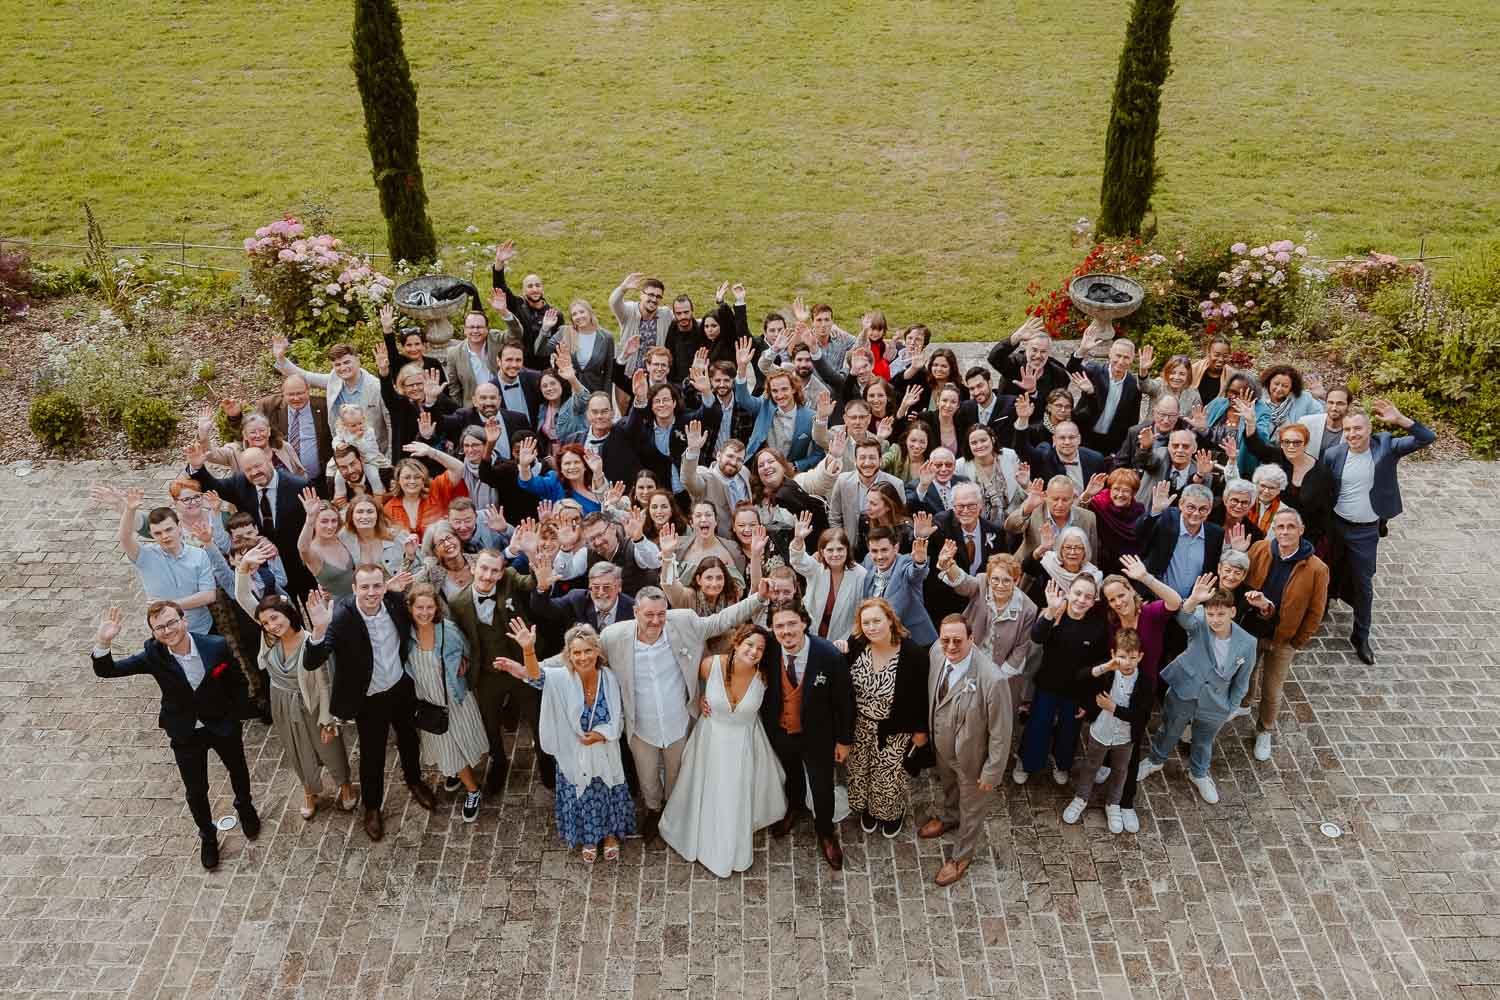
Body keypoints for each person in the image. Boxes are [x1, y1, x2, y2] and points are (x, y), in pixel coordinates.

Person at [91, 602, 259, 870]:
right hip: (184, 731)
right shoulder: (153, 656)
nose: (167, 630)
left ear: (184, 621)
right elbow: (108, 670)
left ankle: (245, 806)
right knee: (195, 791)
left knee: (237, 769)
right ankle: (207, 835)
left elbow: (238, 680)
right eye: (159, 627)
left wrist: (234, 715)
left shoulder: (215, 645)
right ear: (154, 633)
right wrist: (103, 640)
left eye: (171, 622)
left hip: (221, 724)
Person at [304, 566, 435, 841]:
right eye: (365, 587)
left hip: (400, 686)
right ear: (354, 589)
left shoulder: (396, 603)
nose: (371, 592)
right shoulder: (340, 619)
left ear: (384, 587)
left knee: (409, 738)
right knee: (372, 754)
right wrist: (317, 629)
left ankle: (414, 780)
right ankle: (373, 807)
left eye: (377, 586)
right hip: (369, 698)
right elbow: (312, 661)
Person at [657, 623, 788, 877]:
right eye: (749, 644)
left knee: (735, 794)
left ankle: (732, 846)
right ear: (737, 643)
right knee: (707, 790)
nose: (753, 652)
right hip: (710, 741)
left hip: (744, 744)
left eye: (760, 649)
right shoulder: (711, 665)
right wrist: (697, 699)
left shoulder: (764, 677)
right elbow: (684, 681)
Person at [502, 622, 633, 863]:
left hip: (604, 752)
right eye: (577, 652)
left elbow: (618, 716)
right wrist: (528, 650)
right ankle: (589, 838)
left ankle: (610, 836)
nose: (583, 657)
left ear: (597, 652)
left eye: (587, 651)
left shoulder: (609, 678)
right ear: (568, 655)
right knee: (582, 796)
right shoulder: (560, 678)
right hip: (573, 754)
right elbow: (535, 677)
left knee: (607, 793)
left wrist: (602, 735)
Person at [231, 569, 356, 820]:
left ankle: (344, 785)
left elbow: (324, 683)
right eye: (266, 622)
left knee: (329, 747)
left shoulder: (311, 641)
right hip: (281, 702)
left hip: (311, 702)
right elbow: (243, 598)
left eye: (275, 618)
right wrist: (243, 569)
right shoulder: (269, 638)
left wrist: (326, 718)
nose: (272, 626)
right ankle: (309, 789)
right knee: (296, 748)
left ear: (289, 614)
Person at [1322, 400, 1435, 663]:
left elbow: (1426, 438)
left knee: (1364, 584)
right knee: (1329, 571)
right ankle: (1323, 607)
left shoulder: (1386, 447)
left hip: (1365, 531)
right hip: (1337, 525)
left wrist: (1400, 419)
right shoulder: (1334, 455)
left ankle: (1361, 636)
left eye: (1358, 429)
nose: (1352, 434)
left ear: (1369, 428)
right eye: (1348, 430)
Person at [1136, 580, 1257, 804]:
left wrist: (1230, 708)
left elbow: (1242, 681)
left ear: (1232, 611)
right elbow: (1183, 618)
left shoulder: (1248, 643)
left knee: (1203, 740)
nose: (1215, 620)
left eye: (1220, 614)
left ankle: (1199, 773)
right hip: (1185, 689)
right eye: (1211, 614)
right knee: (1169, 728)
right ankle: (1155, 760)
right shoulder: (1200, 621)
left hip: (1216, 701)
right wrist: (1193, 600)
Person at [448, 546, 551, 795]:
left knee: (538, 717)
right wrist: (461, 658)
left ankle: (547, 762)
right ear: (473, 567)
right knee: (489, 723)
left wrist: (541, 576)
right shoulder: (458, 602)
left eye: (494, 571)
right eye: (483, 568)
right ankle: (499, 760)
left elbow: (530, 582)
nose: (487, 575)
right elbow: (459, 635)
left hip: (520, 665)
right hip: (486, 673)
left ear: (501, 572)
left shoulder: (509, 581)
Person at [760, 601, 854, 871]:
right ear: (772, 629)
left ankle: (825, 832)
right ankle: (795, 807)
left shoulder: (828, 656)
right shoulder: (768, 650)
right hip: (781, 730)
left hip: (818, 736)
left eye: (791, 624)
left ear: (804, 623)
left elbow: (845, 702)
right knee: (791, 774)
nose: (786, 631)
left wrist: (844, 740)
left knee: (822, 785)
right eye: (779, 626)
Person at [919, 615, 1012, 887]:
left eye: (958, 640)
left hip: (973, 758)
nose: (950, 646)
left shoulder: (992, 680)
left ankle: (962, 855)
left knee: (972, 808)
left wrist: (992, 771)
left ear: (972, 640)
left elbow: (1001, 731)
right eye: (945, 639)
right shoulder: (936, 653)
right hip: (943, 747)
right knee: (949, 787)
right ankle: (949, 817)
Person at [1243, 509, 1329, 761]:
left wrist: (1297, 641)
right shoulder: (1260, 549)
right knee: (1246, 672)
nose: (1285, 532)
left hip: (1283, 640)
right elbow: (1241, 579)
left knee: (1272, 689)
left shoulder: (1316, 568)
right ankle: (1244, 703)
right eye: (1280, 527)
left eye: (1291, 526)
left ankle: (1265, 730)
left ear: (1301, 530)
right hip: (1253, 630)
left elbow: (1316, 610)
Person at [841, 598, 928, 838]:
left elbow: (922, 696)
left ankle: (891, 812)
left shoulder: (913, 654)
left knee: (887, 776)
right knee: (859, 771)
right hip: (859, 725)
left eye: (876, 620)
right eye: (866, 622)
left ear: (890, 620)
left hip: (894, 728)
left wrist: (921, 731)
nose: (871, 627)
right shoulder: (856, 645)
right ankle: (869, 808)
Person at [403, 583, 488, 822]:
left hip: (452, 697)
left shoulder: (447, 630)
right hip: (427, 700)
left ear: (436, 608)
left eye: (429, 607)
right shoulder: (406, 633)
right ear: (410, 607)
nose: (424, 612)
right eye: (419, 607)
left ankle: (472, 789)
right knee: (446, 745)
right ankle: (458, 772)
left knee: (457, 742)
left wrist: (465, 663)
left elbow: (468, 650)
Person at [185, 442, 314, 598]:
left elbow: (314, 520)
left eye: (257, 466)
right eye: (248, 470)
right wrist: (198, 468)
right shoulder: (240, 483)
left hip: (298, 561)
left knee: (312, 603)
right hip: (263, 568)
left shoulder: (298, 486)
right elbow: (214, 486)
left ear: (269, 459)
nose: (254, 472)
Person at [1015, 577, 1110, 785]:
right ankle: (1026, 762)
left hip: (1076, 691)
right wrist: (1049, 611)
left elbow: (1099, 665)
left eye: (1088, 596)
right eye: (1077, 593)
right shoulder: (1055, 614)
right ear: (1069, 593)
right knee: (1038, 726)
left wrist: (1089, 702)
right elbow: (1037, 637)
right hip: (1047, 685)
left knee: (1069, 731)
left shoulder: (1098, 626)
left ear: (1094, 600)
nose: (1081, 599)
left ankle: (1062, 763)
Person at [1061, 628, 1154, 834]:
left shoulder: (1145, 683)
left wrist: (1114, 709)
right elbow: (1081, 677)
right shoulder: (1108, 674)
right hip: (1100, 731)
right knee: (1091, 765)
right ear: (1113, 655)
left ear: (1140, 656)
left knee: (1121, 771)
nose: (1127, 662)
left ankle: (1113, 804)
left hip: (1125, 737)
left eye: (1132, 657)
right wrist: (1105, 667)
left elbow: (1142, 716)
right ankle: (1081, 798)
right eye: (1122, 657)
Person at [114, 491, 218, 635]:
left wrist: (168, 605)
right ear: (151, 534)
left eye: (169, 529)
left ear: (179, 527)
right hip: (165, 633)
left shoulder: (199, 555)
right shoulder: (145, 555)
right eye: (158, 533)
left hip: (202, 629)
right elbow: (125, 538)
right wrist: (130, 510)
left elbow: (208, 596)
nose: (165, 536)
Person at [272, 335, 390, 459]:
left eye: (347, 362)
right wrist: (281, 358)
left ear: (357, 360)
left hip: (373, 453)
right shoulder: (334, 381)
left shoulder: (376, 387)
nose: (343, 368)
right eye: (338, 364)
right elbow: (305, 376)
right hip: (345, 453)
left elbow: (391, 424)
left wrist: (390, 458)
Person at [226, 373, 334, 494]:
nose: (296, 398)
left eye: (300, 393)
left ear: (308, 389)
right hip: (283, 485)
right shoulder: (269, 406)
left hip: (319, 480)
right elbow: (250, 429)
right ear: (282, 393)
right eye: (291, 394)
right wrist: (235, 417)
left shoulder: (323, 406)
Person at [1242, 420, 1334, 553]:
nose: (1291, 446)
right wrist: (1250, 421)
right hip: (1277, 529)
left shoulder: (1321, 472)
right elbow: (1256, 447)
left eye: (1297, 442)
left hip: (1308, 534)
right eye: (1286, 442)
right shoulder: (1278, 457)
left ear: (1306, 444)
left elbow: (1326, 511)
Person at [788, 515, 868, 643]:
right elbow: (798, 561)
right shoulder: (817, 567)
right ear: (822, 551)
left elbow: (859, 613)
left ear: (847, 549)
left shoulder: (860, 574)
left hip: (842, 640)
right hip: (809, 635)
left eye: (840, 549)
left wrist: (847, 641)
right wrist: (798, 539)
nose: (835, 554)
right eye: (830, 550)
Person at [1066, 329, 1142, 455]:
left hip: (1110, 443)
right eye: (1118, 355)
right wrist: (1082, 350)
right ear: (1110, 354)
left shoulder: (1133, 385)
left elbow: (1132, 421)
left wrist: (1122, 449)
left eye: (1126, 357)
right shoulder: (1094, 371)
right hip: (1083, 435)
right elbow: (1072, 368)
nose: (1121, 361)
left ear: (1133, 359)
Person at [861, 523, 937, 646]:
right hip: (880, 640)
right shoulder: (868, 561)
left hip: (914, 640)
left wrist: (919, 562)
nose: (879, 556)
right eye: (874, 551)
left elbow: (916, 574)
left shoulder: (905, 562)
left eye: (884, 550)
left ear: (895, 548)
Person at [681, 423, 753, 535]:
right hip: (719, 542)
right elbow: (688, 479)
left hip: (747, 537)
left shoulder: (744, 472)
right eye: (730, 456)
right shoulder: (704, 477)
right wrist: (693, 451)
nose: (734, 462)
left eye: (739, 459)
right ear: (718, 455)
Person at [537, 300, 617, 395]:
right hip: (568, 392)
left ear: (590, 313)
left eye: (582, 312)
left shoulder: (606, 337)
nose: (579, 316)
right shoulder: (565, 332)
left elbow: (609, 372)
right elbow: (541, 352)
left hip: (594, 392)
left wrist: (606, 397)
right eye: (574, 314)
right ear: (572, 319)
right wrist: (545, 329)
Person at [296, 489, 357, 598]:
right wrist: (309, 519)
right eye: (324, 521)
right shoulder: (312, 550)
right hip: (337, 608)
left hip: (359, 600)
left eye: (334, 521)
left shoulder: (342, 538)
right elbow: (303, 548)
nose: (330, 526)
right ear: (315, 523)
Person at [1084, 468, 1145, 576]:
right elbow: (1078, 515)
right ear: (1110, 489)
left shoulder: (1139, 511)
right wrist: (1087, 495)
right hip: (1099, 565)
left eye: (1126, 490)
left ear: (1133, 493)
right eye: (1116, 489)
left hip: (1128, 568)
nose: (1120, 494)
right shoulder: (1097, 504)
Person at [1259, 364, 1325, 428]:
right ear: (1269, 382)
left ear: (1292, 388)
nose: (1279, 389)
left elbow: (1323, 416)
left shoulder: (1304, 399)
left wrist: (1322, 396)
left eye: (1285, 386)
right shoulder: (1258, 398)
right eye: (1276, 384)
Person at [1298, 382, 1351, 461]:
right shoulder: (1306, 423)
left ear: (1349, 406)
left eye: (1340, 403)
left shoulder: (1353, 430)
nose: (1334, 408)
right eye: (1330, 402)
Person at [1138, 352, 1202, 418]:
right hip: (1154, 427)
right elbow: (1145, 387)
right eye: (1172, 373)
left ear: (1188, 376)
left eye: (1182, 374)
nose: (1176, 377)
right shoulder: (1159, 385)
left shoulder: (1193, 394)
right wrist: (1143, 371)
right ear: (1167, 372)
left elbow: (1196, 420)